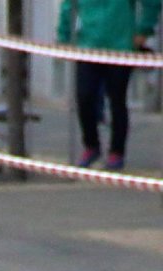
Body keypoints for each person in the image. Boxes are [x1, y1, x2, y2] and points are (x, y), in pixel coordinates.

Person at [57, 0, 162, 171]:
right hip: (88, 46)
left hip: (120, 46)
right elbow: (68, 5)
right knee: (84, 97)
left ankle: (117, 151)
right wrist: (64, 35)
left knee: (117, 100)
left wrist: (144, 29)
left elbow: (152, 2)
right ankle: (91, 145)